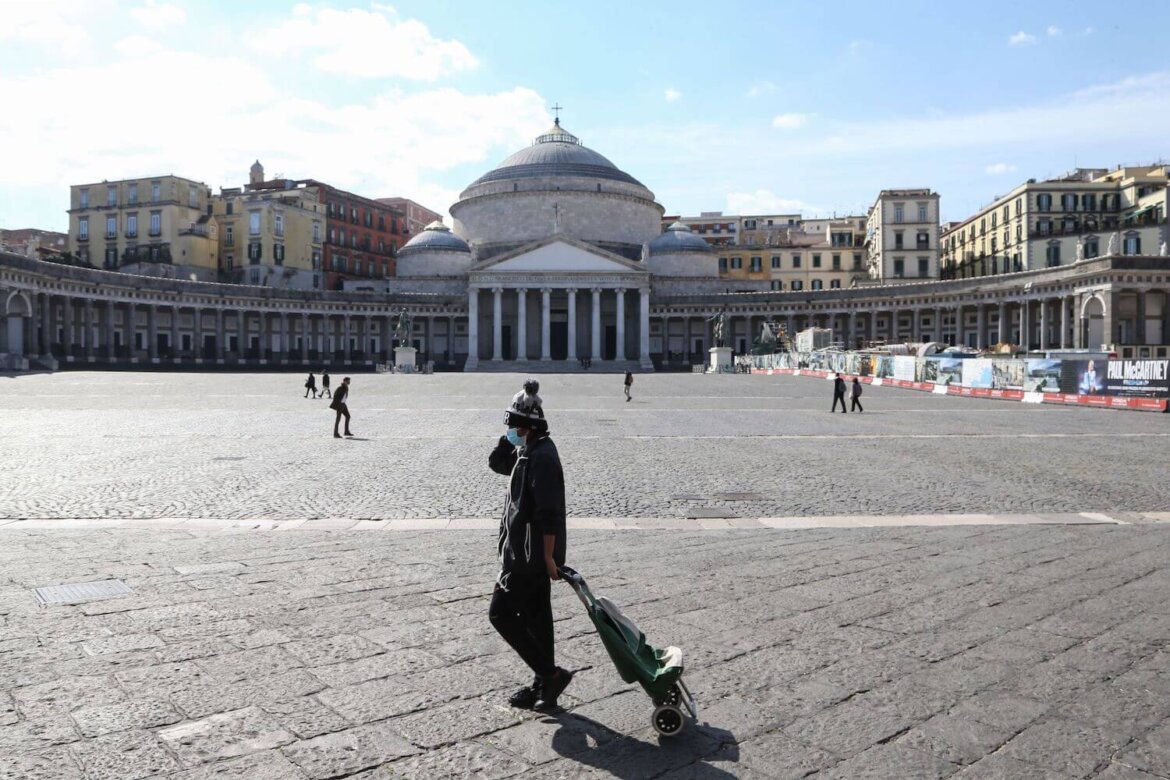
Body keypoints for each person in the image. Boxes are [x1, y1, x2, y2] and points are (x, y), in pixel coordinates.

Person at [487, 383, 572, 712]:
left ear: (529, 427)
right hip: (524, 552)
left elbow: (548, 513)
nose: (510, 431)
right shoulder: (526, 451)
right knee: (537, 618)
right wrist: (508, 434)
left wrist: (549, 557)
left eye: (514, 426)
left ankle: (550, 674)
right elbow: (496, 463)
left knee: (500, 614)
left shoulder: (543, 457)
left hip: (529, 557)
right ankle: (543, 685)